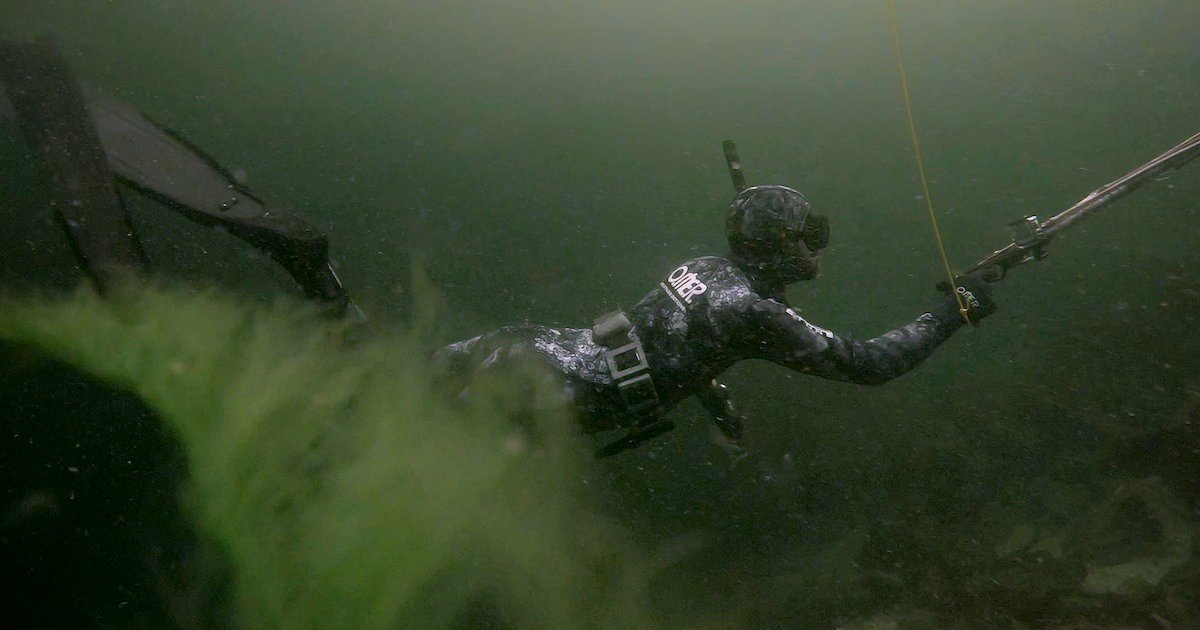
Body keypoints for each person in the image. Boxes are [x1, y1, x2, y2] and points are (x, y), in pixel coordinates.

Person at [434, 184, 996, 457]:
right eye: (812, 237)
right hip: (550, 391)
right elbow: (871, 365)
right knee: (420, 438)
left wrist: (715, 397)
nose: (820, 249)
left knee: (403, 377)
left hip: (535, 346)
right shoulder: (753, 314)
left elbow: (676, 338)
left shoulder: (705, 269)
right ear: (780, 245)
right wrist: (952, 312)